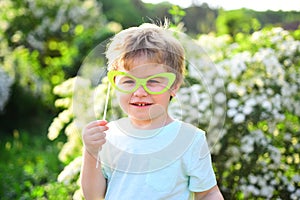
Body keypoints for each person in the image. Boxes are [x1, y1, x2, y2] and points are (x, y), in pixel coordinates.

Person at [80, 21, 224, 200]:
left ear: (174, 86)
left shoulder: (190, 139)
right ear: (115, 83)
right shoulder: (108, 136)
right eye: (128, 81)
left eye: (153, 81)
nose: (140, 92)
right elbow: (93, 196)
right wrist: (91, 151)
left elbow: (208, 193)